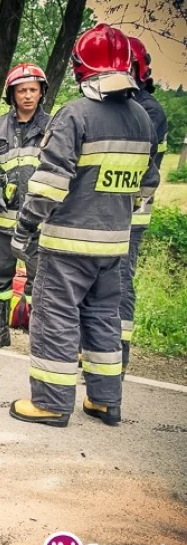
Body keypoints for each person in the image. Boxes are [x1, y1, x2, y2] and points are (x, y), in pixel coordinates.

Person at [9, 24, 155, 428]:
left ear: (81, 68)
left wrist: (24, 228)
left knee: (55, 317)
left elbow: (48, 187)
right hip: (114, 247)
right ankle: (105, 401)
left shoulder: (74, 115)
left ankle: (51, 403)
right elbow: (147, 185)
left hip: (68, 247)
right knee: (103, 318)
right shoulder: (142, 119)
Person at [0, 63, 50, 349]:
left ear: (41, 92)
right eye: (22, 91)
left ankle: (39, 336)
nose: (28, 95)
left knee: (39, 281)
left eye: (33, 90)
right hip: (1, 221)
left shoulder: (54, 128)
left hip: (39, 224)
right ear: (12, 94)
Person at [120, 36, 165, 373]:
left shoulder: (148, 111)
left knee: (120, 282)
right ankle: (92, 348)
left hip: (131, 213)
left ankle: (117, 352)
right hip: (103, 213)